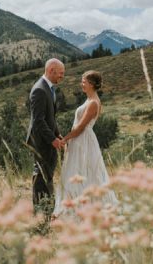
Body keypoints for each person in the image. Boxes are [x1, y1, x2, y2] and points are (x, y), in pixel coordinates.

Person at [53, 70, 117, 217]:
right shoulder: (89, 99)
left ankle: (85, 209)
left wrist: (65, 139)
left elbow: (81, 127)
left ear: (92, 84)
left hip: (84, 141)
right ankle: (76, 207)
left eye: (84, 81)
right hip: (79, 140)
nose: (81, 84)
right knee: (77, 172)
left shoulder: (94, 102)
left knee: (84, 172)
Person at [26, 58, 65, 218]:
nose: (61, 77)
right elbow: (38, 121)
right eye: (60, 74)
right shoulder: (39, 90)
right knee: (41, 176)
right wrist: (52, 139)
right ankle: (41, 213)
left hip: (47, 139)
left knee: (47, 175)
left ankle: (47, 209)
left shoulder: (49, 89)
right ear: (51, 71)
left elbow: (51, 118)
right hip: (41, 142)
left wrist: (57, 133)